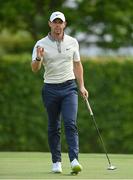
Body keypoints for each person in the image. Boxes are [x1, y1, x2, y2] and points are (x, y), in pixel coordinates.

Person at [31, 11, 88, 174]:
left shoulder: (72, 42)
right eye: (54, 22)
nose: (57, 25)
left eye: (60, 22)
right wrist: (38, 58)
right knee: (53, 126)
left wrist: (82, 86)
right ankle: (56, 161)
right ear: (49, 24)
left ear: (64, 24)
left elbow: (77, 65)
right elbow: (35, 69)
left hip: (69, 88)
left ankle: (74, 160)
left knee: (70, 123)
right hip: (50, 88)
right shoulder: (40, 44)